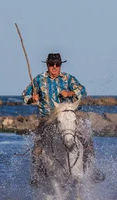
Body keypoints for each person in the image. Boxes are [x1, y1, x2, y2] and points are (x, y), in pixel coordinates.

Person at [22, 53, 105, 185]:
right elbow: (24, 95)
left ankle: (93, 170)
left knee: (86, 138)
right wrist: (32, 98)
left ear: (60, 65)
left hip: (68, 116)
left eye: (57, 65)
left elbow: (83, 90)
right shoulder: (38, 80)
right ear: (47, 65)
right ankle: (37, 175)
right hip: (47, 119)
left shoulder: (68, 78)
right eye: (51, 64)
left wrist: (70, 93)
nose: (54, 67)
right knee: (37, 147)